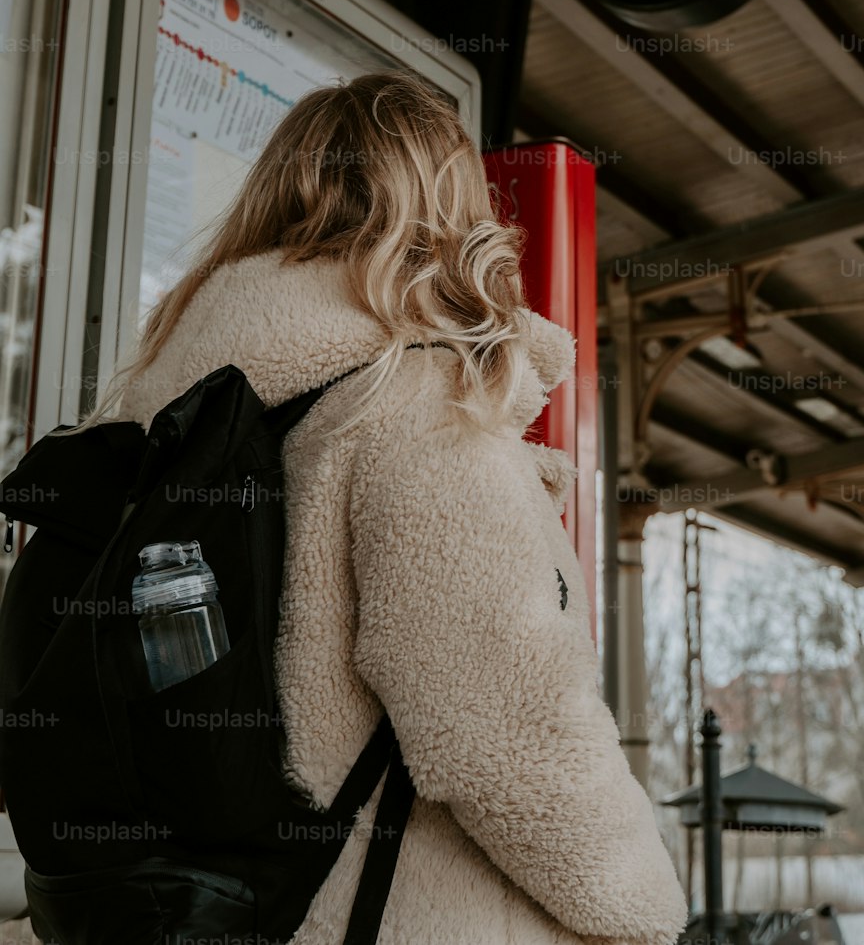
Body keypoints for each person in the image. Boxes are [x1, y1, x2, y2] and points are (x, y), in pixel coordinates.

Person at [113, 71, 687, 945]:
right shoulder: (418, 401)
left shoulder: (163, 411)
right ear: (451, 209)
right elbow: (507, 723)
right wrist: (647, 910)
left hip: (212, 908)